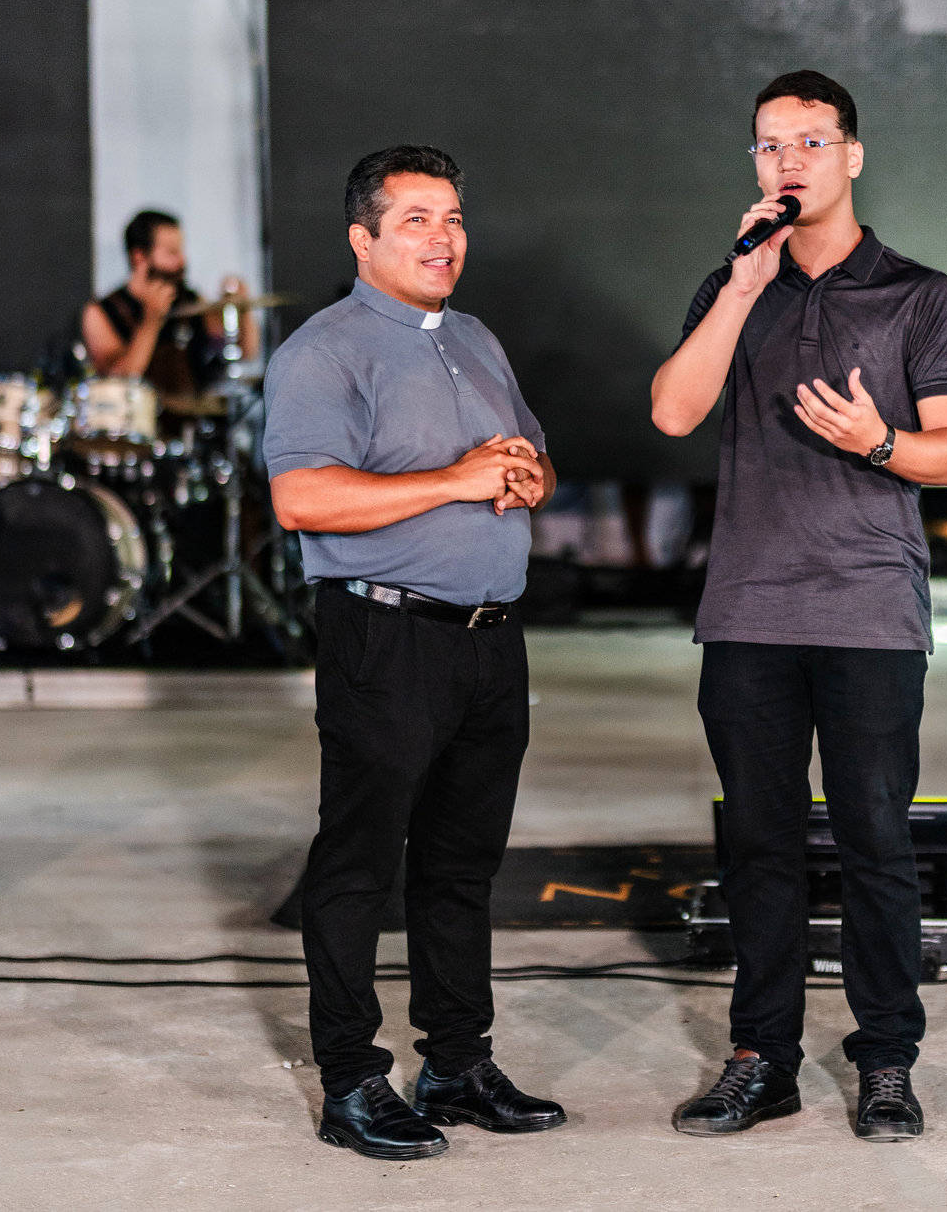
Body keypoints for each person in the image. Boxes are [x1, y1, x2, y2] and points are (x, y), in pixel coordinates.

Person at [652, 69, 947, 1145]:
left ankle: (886, 1060)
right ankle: (763, 1057)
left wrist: (876, 441)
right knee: (759, 843)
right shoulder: (734, 283)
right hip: (749, 606)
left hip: (869, 607)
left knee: (877, 840)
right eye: (768, 144)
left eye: (808, 141)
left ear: (853, 155)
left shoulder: (919, 293)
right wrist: (742, 288)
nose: (787, 160)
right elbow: (673, 411)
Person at [264, 144, 564, 1165]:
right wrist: (456, 480)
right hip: (385, 639)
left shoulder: (474, 337)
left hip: (490, 641)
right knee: (358, 866)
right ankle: (351, 1078)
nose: (445, 239)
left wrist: (525, 477)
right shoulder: (324, 352)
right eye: (418, 221)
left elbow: (529, 456)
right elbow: (302, 497)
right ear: (364, 239)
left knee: (462, 866)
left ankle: (457, 1063)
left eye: (454, 219)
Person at [80, 209, 259, 397]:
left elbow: (246, 352)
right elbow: (119, 380)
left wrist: (243, 310)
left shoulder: (189, 300)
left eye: (181, 250)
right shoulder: (101, 312)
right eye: (172, 252)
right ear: (139, 257)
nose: (182, 261)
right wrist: (151, 321)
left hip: (197, 412)